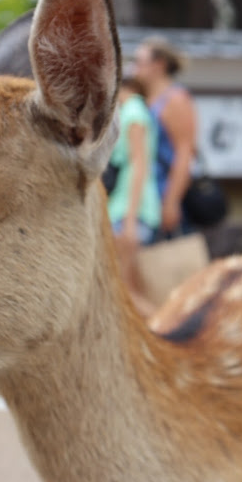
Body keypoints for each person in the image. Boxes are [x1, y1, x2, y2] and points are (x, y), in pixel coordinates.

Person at [106, 75, 160, 316]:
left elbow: (139, 165)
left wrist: (129, 221)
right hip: (128, 209)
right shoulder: (134, 110)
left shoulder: (134, 111)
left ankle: (164, 329)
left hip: (131, 211)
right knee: (127, 288)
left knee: (124, 290)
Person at [134, 36, 197, 237]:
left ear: (159, 65)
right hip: (144, 198)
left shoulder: (176, 100)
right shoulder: (144, 99)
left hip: (163, 194)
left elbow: (185, 153)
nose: (135, 68)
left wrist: (171, 201)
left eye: (140, 62)